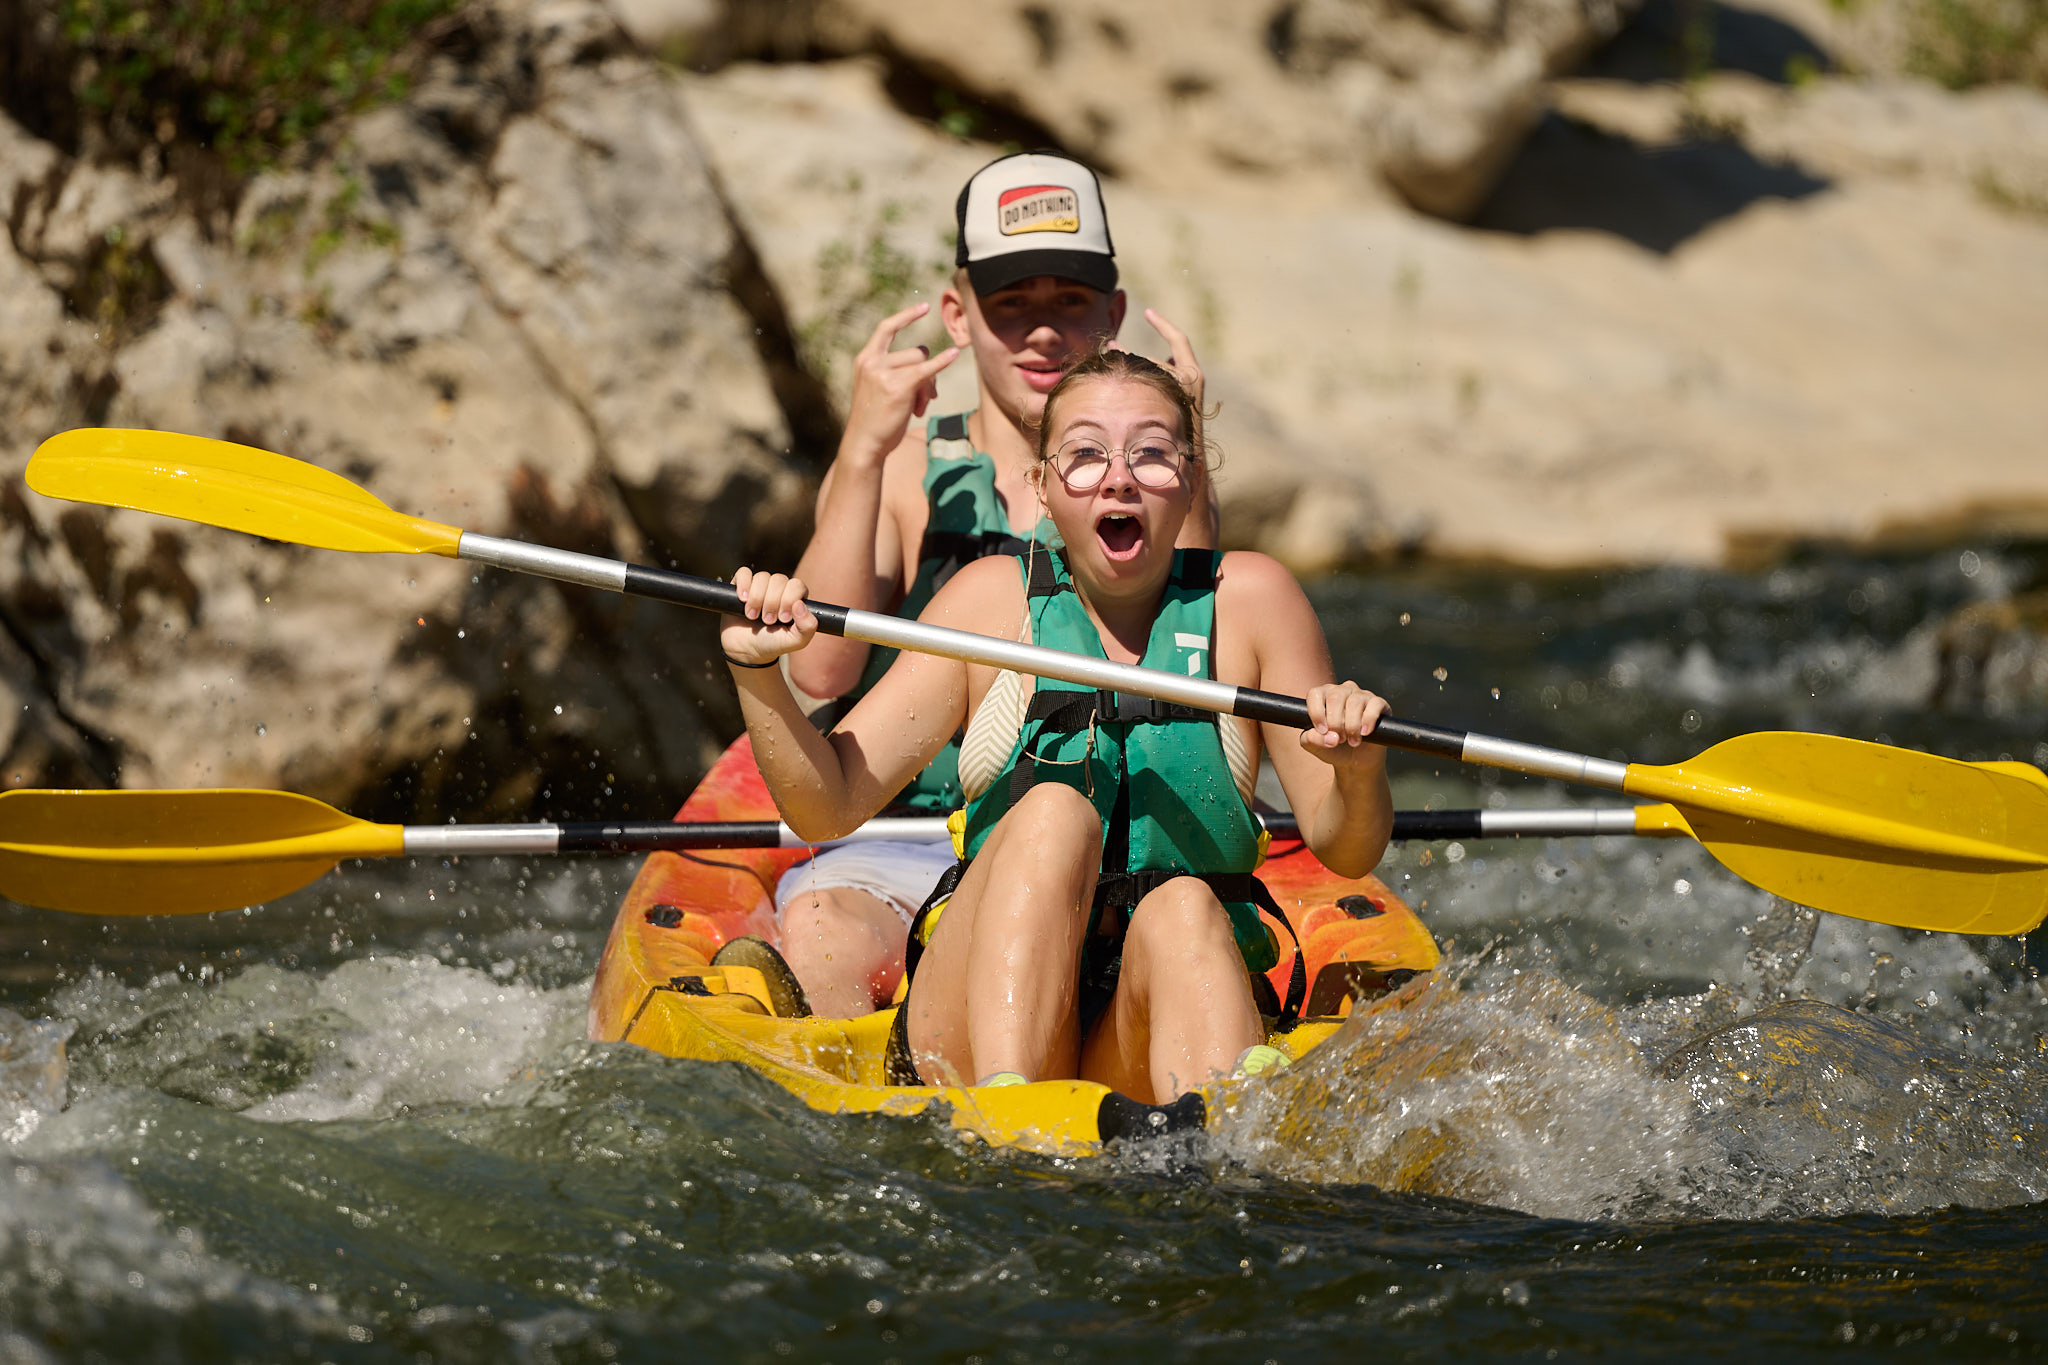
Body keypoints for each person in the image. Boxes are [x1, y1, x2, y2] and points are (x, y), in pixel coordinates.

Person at [720, 349, 1393, 1103]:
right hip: (970, 1025)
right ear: (1042, 486)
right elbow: (827, 803)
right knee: (1053, 813)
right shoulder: (987, 605)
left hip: (1132, 1027)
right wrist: (759, 678)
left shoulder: (1256, 601)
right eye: (1085, 455)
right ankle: (1014, 1123)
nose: (1119, 476)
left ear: (1191, 474)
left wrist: (1358, 772)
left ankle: (1226, 1130)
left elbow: (1345, 844)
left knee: (1184, 903)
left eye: (1151, 453)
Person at [765, 151, 1217, 1017]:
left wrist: (1190, 453)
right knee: (821, 925)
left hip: (1116, 828)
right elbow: (818, 675)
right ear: (956, 315)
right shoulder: (902, 465)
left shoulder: (1154, 478)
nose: (1043, 332)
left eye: (1069, 301)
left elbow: (1193, 655)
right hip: (904, 830)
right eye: (1011, 304)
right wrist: (861, 449)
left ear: (1113, 314)